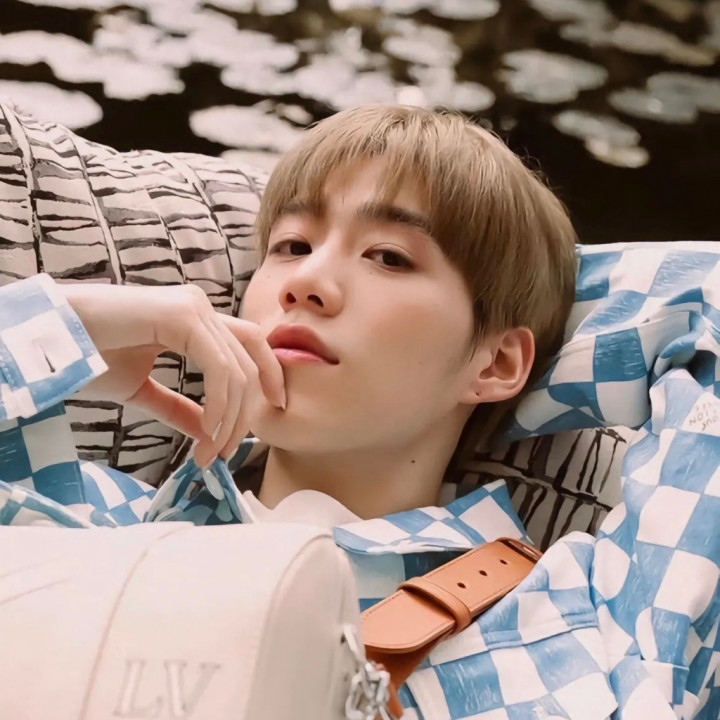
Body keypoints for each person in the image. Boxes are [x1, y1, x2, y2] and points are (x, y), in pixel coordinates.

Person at [5, 105, 719, 720]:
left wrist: (530, 290)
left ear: (499, 364)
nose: (306, 281)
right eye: (290, 246)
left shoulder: (586, 621)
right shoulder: (84, 516)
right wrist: (72, 320)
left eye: (389, 257)